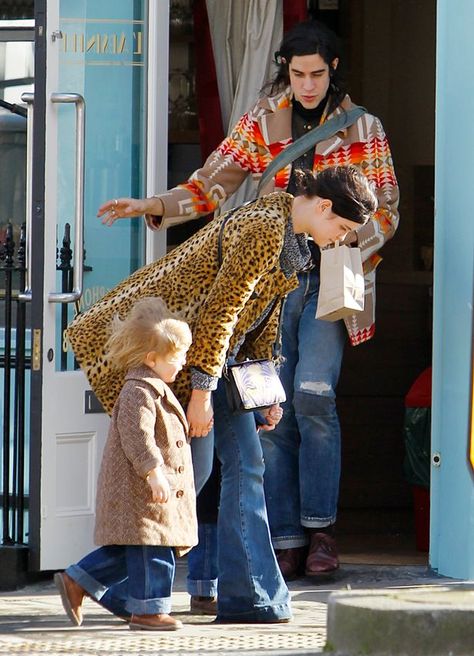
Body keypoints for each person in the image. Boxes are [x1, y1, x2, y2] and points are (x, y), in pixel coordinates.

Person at [97, 19, 399, 586]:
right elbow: (214, 180)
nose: (306, 84)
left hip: (331, 278)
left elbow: (386, 208)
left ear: (333, 69)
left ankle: (322, 529)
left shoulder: (364, 127)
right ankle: (284, 537)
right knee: (273, 403)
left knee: (314, 395)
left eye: (316, 73)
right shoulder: (264, 119)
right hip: (269, 274)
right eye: (296, 73)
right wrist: (153, 204)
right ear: (286, 71)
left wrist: (341, 234)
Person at [74, 166, 377, 623]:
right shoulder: (263, 227)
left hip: (213, 366)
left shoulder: (292, 239)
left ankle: (236, 595)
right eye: (342, 228)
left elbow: (260, 326)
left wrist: (265, 396)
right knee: (199, 481)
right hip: (183, 361)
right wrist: (201, 393)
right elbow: (220, 316)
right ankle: (108, 580)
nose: (339, 239)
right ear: (323, 206)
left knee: (221, 474)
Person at [55, 297, 196, 631]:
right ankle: (148, 610)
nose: (183, 363)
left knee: (136, 550)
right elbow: (137, 437)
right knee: (155, 550)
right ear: (152, 359)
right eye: (176, 358)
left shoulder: (155, 386)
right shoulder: (138, 391)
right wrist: (154, 473)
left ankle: (79, 580)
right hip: (142, 491)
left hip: (148, 493)